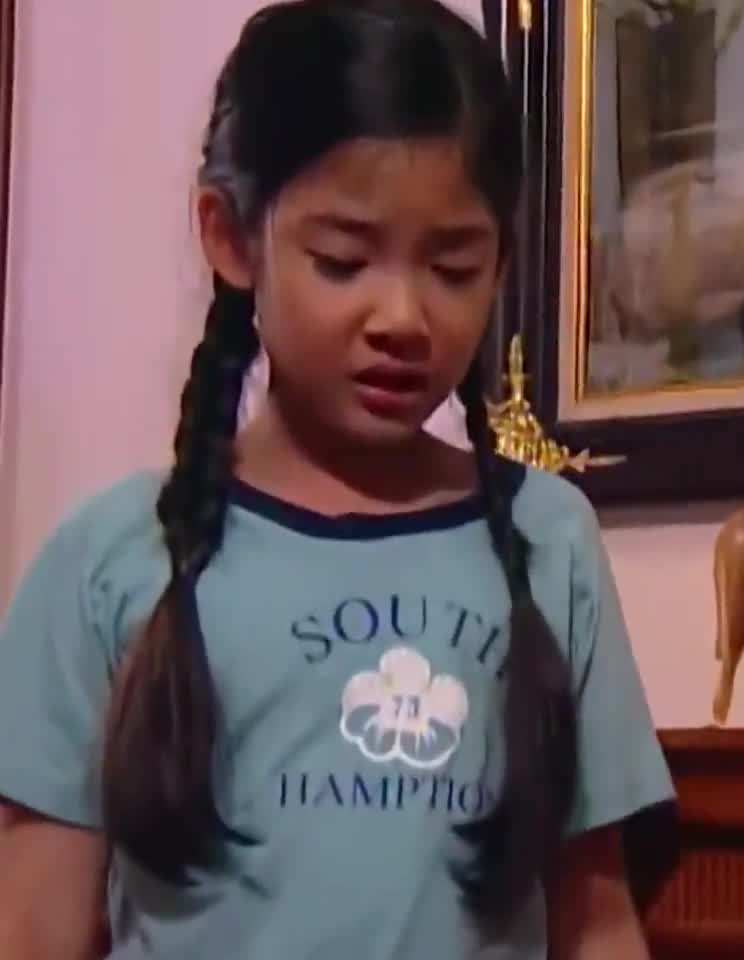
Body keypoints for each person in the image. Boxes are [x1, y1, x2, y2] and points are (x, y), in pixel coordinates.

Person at [0, 2, 674, 957]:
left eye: (453, 267)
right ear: (232, 238)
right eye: (343, 260)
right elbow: (31, 926)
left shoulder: (548, 540)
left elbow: (596, 920)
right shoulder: (108, 561)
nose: (401, 316)